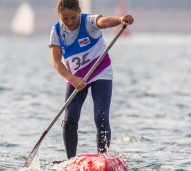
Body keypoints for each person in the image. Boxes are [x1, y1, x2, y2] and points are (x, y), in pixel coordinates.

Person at [48, 0, 134, 159]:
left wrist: (119, 19)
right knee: (70, 118)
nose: (70, 22)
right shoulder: (57, 31)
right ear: (59, 15)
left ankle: (103, 158)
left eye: (73, 17)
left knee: (100, 116)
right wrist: (72, 78)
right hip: (75, 76)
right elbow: (56, 62)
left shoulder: (88, 22)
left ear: (79, 11)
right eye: (65, 18)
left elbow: (105, 21)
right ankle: (71, 161)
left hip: (100, 70)